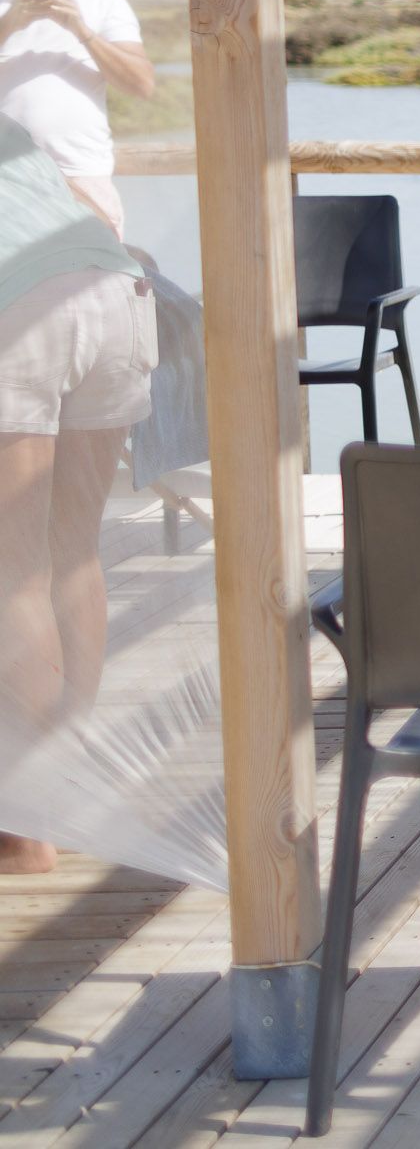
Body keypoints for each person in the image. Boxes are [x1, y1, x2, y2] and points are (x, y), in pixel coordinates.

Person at [0, 114, 156, 874]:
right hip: (115, 292)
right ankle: (65, 792)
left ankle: (25, 832)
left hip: (21, 308)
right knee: (72, 554)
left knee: (12, 571)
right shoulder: (10, 125)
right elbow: (87, 208)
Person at [0, 0, 155, 237]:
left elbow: (142, 84)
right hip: (6, 182)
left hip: (82, 176)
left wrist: (81, 29)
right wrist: (10, 23)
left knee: (96, 286)